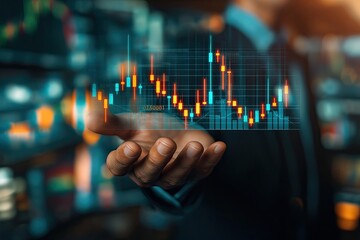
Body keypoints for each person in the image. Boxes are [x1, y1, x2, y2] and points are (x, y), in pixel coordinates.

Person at [87, 0, 335, 239]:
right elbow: (175, 133)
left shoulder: (295, 58)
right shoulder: (193, 52)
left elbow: (311, 158)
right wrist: (173, 170)